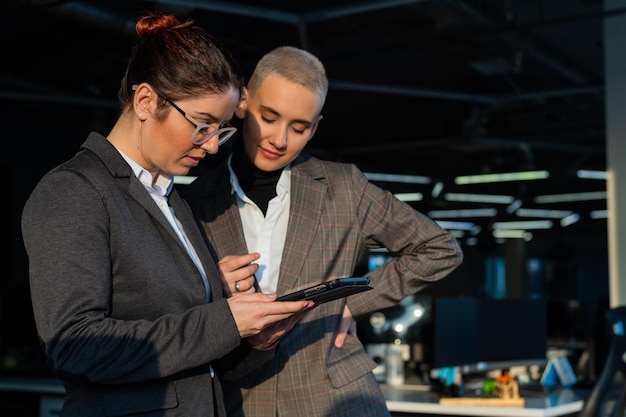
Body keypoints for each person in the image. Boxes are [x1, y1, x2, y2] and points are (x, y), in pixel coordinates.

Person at [20, 15, 314, 417]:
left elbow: (195, 362)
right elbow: (75, 345)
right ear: (145, 102)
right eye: (202, 126)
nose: (212, 147)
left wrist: (254, 336)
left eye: (221, 130)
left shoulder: (171, 199)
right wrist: (225, 320)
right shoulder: (74, 191)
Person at [180, 45, 464, 417]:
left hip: (339, 399)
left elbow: (440, 248)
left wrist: (352, 303)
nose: (279, 140)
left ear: (315, 127)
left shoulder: (345, 187)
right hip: (240, 401)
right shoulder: (193, 201)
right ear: (243, 102)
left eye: (298, 128)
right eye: (269, 117)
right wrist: (212, 288)